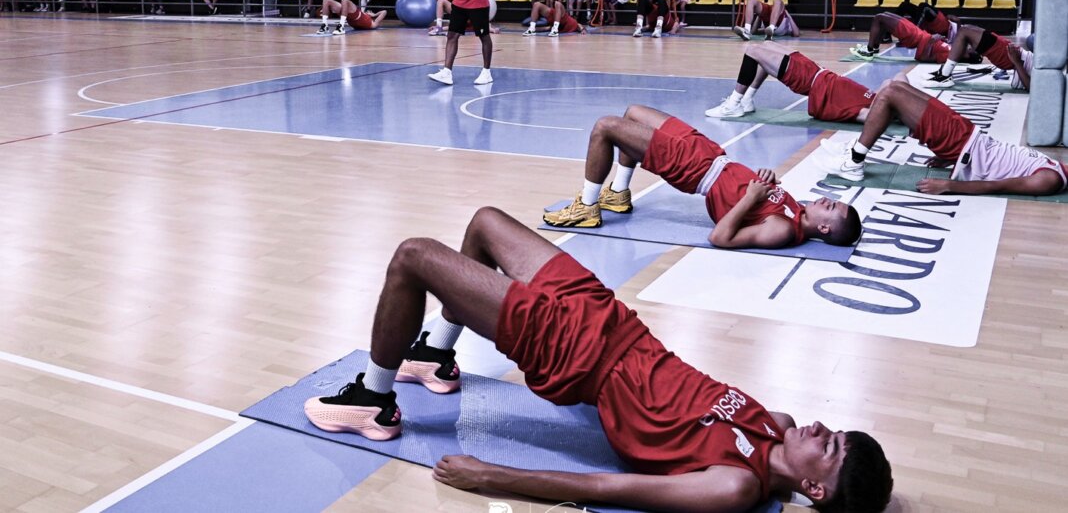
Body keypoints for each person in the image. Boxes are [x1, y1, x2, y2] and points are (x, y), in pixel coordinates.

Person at [303, 207, 893, 513]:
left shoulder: (733, 490)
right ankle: (434, 355)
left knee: (413, 256)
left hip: (580, 357)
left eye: (830, 447)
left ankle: (374, 402)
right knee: (485, 224)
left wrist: (490, 476)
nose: (819, 428)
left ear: (816, 487)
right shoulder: (780, 426)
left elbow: (608, 489)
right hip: (613, 321)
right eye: (834, 432)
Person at [543, 105, 863, 248]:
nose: (827, 200)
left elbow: (720, 238)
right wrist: (765, 180)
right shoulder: (799, 211)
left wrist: (751, 197)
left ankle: (587, 207)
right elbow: (760, 200)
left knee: (605, 126)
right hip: (710, 152)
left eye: (832, 208)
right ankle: (618, 193)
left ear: (823, 227)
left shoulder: (783, 231)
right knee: (634, 113)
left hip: (695, 170)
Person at [816, 81, 1067, 196]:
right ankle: (855, 151)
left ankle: (854, 161)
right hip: (969, 138)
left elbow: (996, 185)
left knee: (891, 94)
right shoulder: (1057, 165)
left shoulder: (1050, 179)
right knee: (897, 86)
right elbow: (1003, 162)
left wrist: (949, 186)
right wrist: (947, 159)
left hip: (964, 146)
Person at [706, 41, 883, 120]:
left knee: (752, 50)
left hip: (810, 81)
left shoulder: (869, 110)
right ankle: (747, 100)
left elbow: (873, 119)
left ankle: (733, 104)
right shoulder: (876, 97)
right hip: (816, 70)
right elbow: (894, 83)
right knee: (766, 45)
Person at [925, 25, 1032, 91]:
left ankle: (944, 75)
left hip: (1016, 59)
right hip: (1020, 56)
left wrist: (1017, 62)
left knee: (964, 31)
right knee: (966, 31)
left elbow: (1031, 87)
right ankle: (945, 72)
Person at [849, 12, 962, 64]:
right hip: (918, 33)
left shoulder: (949, 56)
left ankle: (868, 50)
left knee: (879, 17)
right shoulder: (955, 50)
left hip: (914, 38)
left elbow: (923, 58)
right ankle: (874, 48)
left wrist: (932, 40)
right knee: (884, 16)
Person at [733, 0, 799, 41]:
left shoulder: (789, 25)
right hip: (771, 14)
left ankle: (771, 28)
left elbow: (796, 33)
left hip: (778, 18)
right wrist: (759, 15)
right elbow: (753, 32)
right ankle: (746, 31)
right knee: (751, 0)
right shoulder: (765, 26)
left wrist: (789, 16)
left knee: (777, 0)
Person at [316, 0, 386, 34]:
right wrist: (373, 14)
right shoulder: (368, 20)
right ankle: (325, 26)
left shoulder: (372, 24)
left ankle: (341, 27)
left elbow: (384, 12)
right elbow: (384, 11)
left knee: (344, 0)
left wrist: (374, 15)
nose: (368, 12)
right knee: (326, 0)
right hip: (348, 15)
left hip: (355, 16)